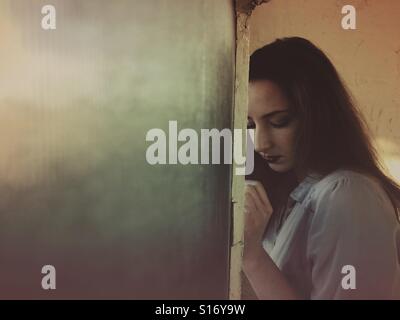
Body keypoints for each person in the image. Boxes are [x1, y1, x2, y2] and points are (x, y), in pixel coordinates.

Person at [243, 37, 400, 300]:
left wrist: (253, 257)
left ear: (317, 115)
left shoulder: (347, 195)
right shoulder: (291, 192)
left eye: (279, 122)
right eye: (250, 126)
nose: (260, 143)